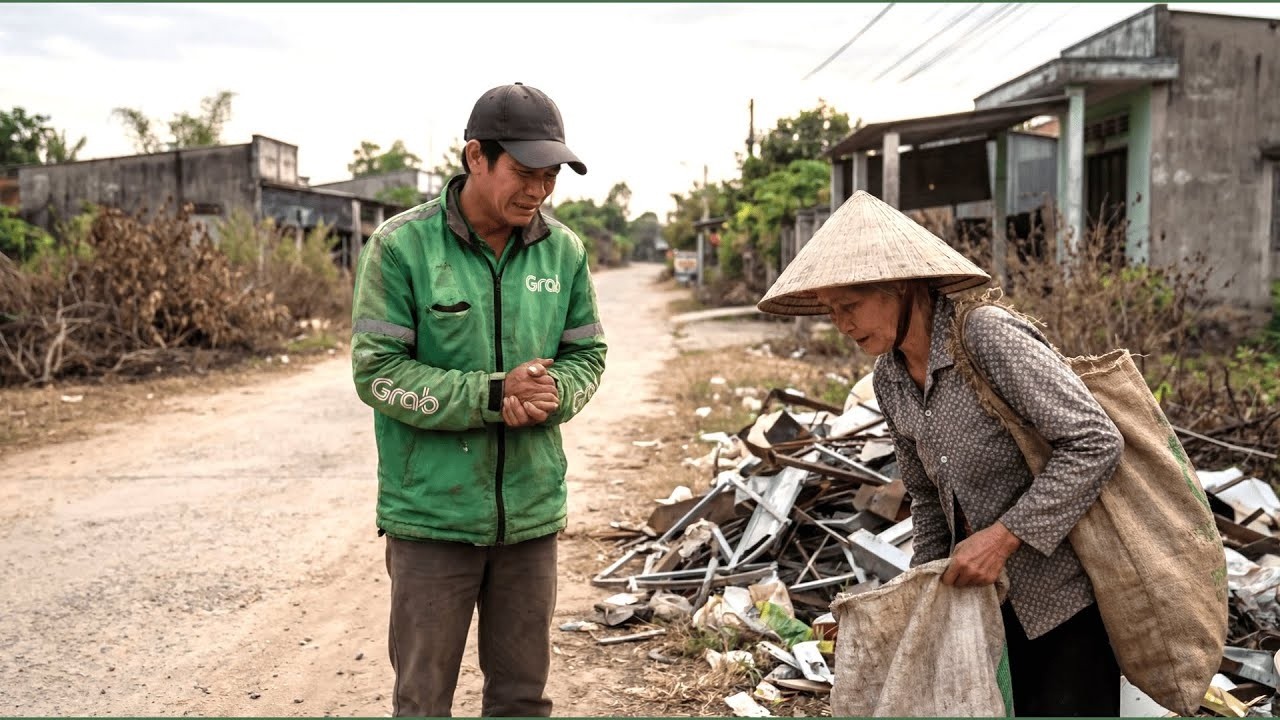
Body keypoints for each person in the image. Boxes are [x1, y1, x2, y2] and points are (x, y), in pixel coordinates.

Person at [757, 191, 1125, 716]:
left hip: (1063, 597)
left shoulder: (985, 335)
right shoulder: (889, 377)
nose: (841, 324)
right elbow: (927, 498)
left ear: (900, 287)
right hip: (985, 606)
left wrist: (1002, 539)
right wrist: (923, 595)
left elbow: (1095, 441)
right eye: (831, 311)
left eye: (850, 306)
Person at [349, 82, 607, 717]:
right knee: (422, 700)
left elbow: (588, 355)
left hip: (530, 516)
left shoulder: (564, 251)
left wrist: (555, 393)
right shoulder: (401, 246)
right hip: (432, 519)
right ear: (475, 157)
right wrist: (493, 394)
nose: (538, 191)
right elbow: (377, 373)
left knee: (522, 699)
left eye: (550, 176)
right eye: (524, 172)